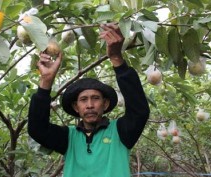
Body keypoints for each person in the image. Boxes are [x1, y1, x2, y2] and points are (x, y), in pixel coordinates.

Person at [28, 23, 150, 177]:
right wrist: (46, 81)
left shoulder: (121, 132)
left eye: (96, 99)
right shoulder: (68, 138)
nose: (90, 105)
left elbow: (140, 111)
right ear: (76, 107)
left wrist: (116, 58)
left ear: (105, 104)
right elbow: (37, 129)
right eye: (83, 100)